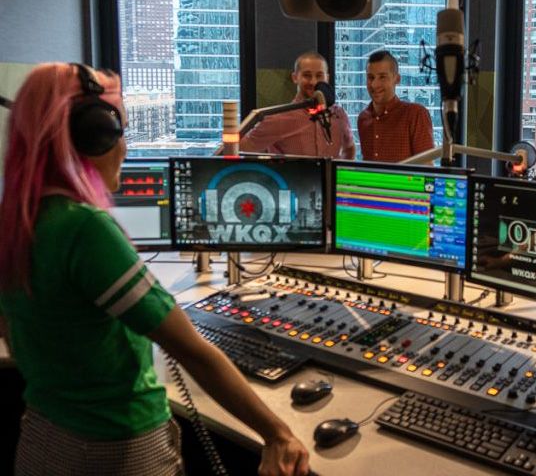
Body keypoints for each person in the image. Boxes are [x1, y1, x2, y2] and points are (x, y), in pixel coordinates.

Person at [0, 63, 310, 476]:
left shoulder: (16, 220)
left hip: (43, 440)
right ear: (92, 135)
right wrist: (277, 433)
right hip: (114, 448)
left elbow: (16, 336)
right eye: (119, 132)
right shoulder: (85, 229)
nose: (125, 149)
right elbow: (192, 352)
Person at [239, 51, 356, 159]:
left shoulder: (339, 114)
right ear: (295, 78)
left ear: (327, 78)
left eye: (319, 76)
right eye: (307, 75)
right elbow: (241, 148)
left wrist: (342, 172)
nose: (313, 82)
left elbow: (349, 148)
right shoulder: (279, 118)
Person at [358, 50, 434, 162]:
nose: (374, 84)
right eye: (371, 77)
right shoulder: (363, 119)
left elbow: (426, 166)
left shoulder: (415, 114)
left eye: (382, 77)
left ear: (397, 79)